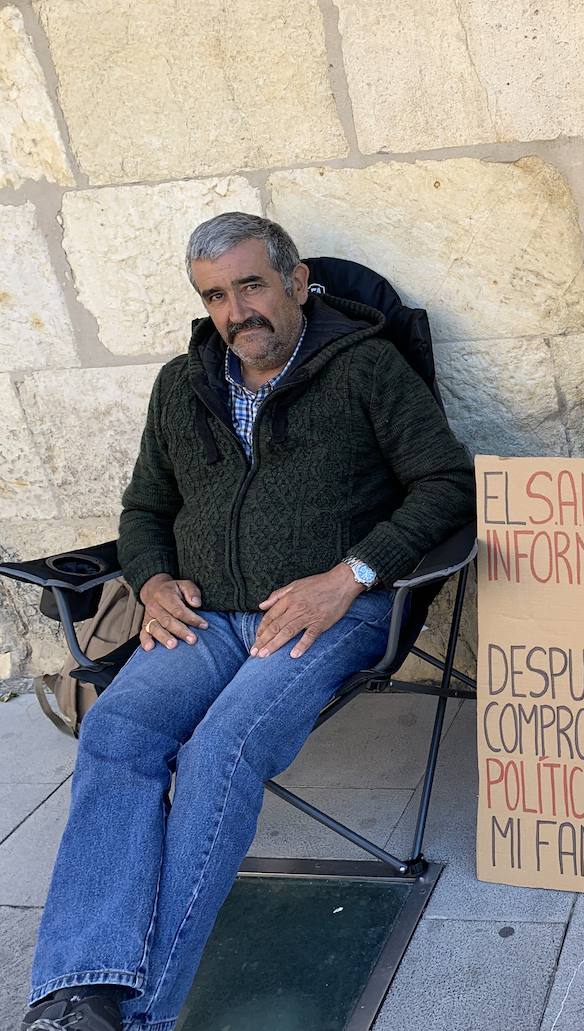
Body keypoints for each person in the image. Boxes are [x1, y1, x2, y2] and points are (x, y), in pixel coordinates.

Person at [21, 213, 475, 1031]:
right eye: (217, 295)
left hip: (332, 610)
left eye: (253, 285)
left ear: (298, 283)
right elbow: (145, 506)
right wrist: (153, 577)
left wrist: (351, 575)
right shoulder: (180, 383)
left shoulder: (366, 367)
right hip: (203, 615)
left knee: (221, 749)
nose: (238, 311)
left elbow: (446, 483)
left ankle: (141, 1016)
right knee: (117, 731)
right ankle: (79, 989)